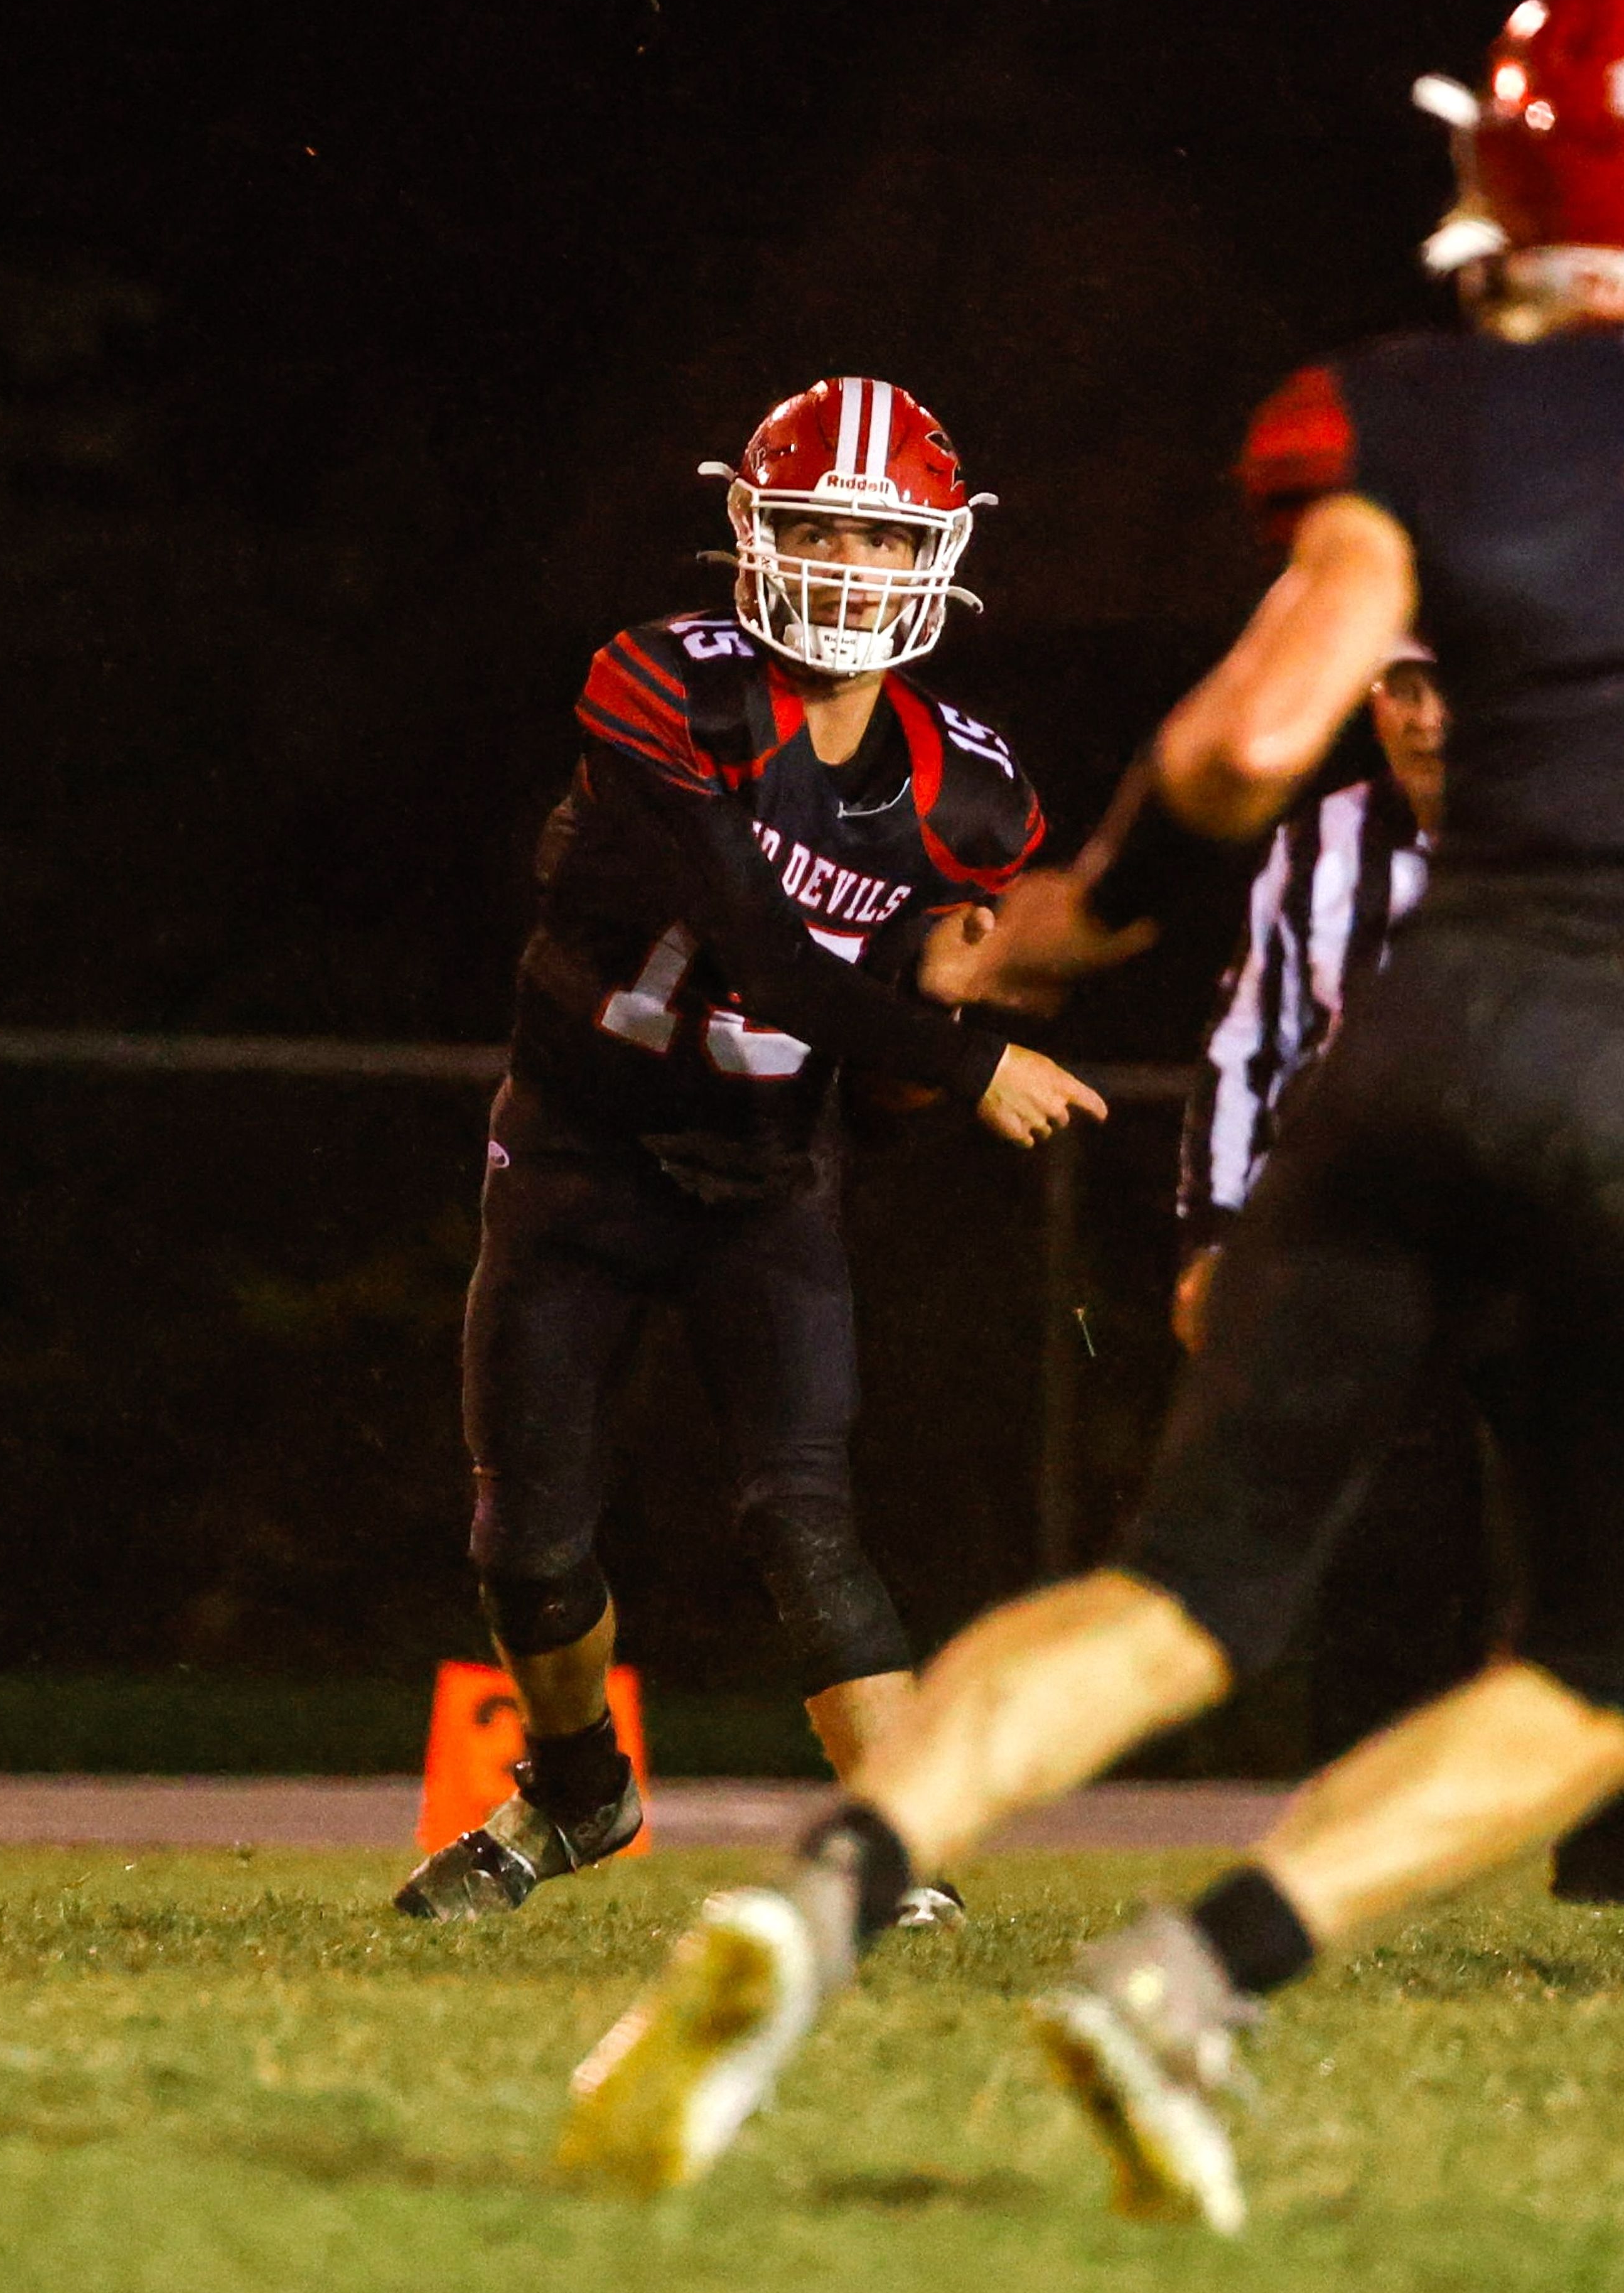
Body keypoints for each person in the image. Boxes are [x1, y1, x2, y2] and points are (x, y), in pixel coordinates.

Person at [556, 0, 1624, 2225]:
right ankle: (1199, 1975)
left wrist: (1063, 934)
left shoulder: (1432, 415)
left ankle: (822, 1895)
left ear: (1506, 180)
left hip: (1429, 1040)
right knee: (1611, 1667)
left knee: (1182, 1594)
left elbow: (1244, 745)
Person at [394, 376, 1107, 1923]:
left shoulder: (970, 789)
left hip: (767, 1175)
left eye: (877, 533)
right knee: (529, 1544)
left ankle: (901, 1863)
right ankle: (579, 1795)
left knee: (802, 1511)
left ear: (936, 554)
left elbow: (872, 1034)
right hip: (581, 1151)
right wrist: (972, 1055)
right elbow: (776, 964)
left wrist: (941, 1020)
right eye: (815, 527)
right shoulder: (670, 686)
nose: (846, 564)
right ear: (751, 532)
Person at [1178, 642, 1624, 1901]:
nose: (1430, 716)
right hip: (1384, 1249)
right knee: (1385, 1565)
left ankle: (1606, 1875)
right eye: (1402, 683)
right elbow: (1252, 1044)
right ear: (1364, 692)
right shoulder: (1322, 845)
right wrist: (1215, 1233)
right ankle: (1343, 1868)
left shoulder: (1599, 838)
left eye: (1456, 678)